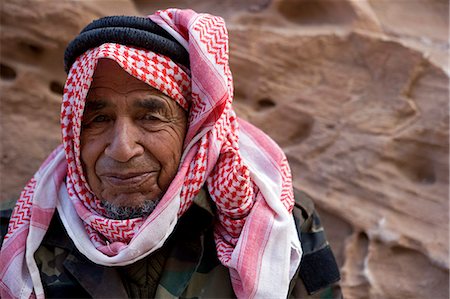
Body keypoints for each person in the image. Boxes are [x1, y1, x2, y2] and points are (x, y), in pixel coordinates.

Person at [0, 8, 340, 298]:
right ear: (75, 132)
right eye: (98, 119)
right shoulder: (16, 234)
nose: (121, 149)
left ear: (193, 127)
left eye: (150, 117)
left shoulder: (273, 220)